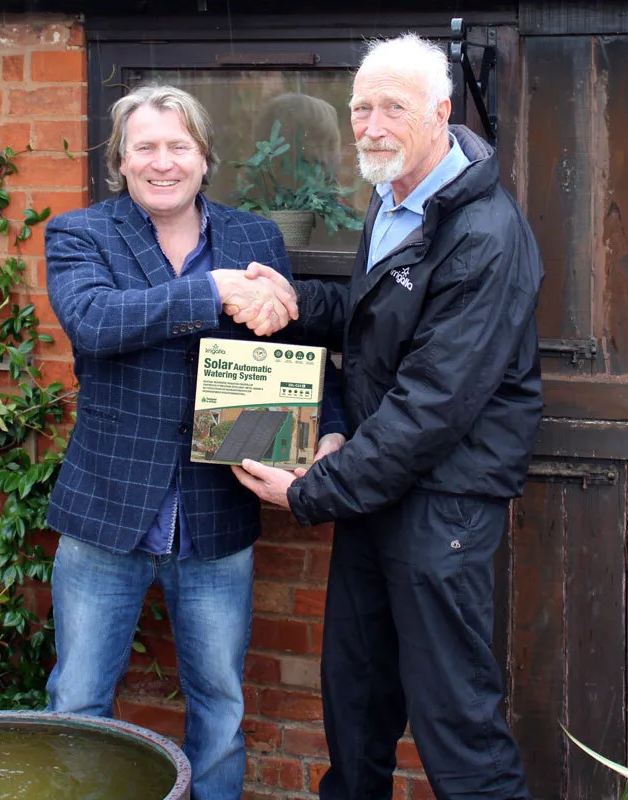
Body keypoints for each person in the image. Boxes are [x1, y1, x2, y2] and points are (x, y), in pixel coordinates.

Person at [232, 33, 543, 800]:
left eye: (391, 108)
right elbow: (378, 325)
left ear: (441, 112)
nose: (370, 124)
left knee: (456, 727)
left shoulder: (483, 234)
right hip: (375, 494)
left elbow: (432, 406)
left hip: (441, 506)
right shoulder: (395, 195)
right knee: (357, 708)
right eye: (360, 108)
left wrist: (309, 493)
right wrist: (298, 303)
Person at [43, 84, 346, 800]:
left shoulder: (256, 238)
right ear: (120, 161)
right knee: (79, 702)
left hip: (217, 511)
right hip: (107, 514)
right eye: (144, 147)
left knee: (220, 707)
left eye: (179, 146)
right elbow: (95, 322)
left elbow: (292, 347)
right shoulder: (80, 234)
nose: (162, 162)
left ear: (205, 158)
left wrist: (329, 425)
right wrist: (210, 292)